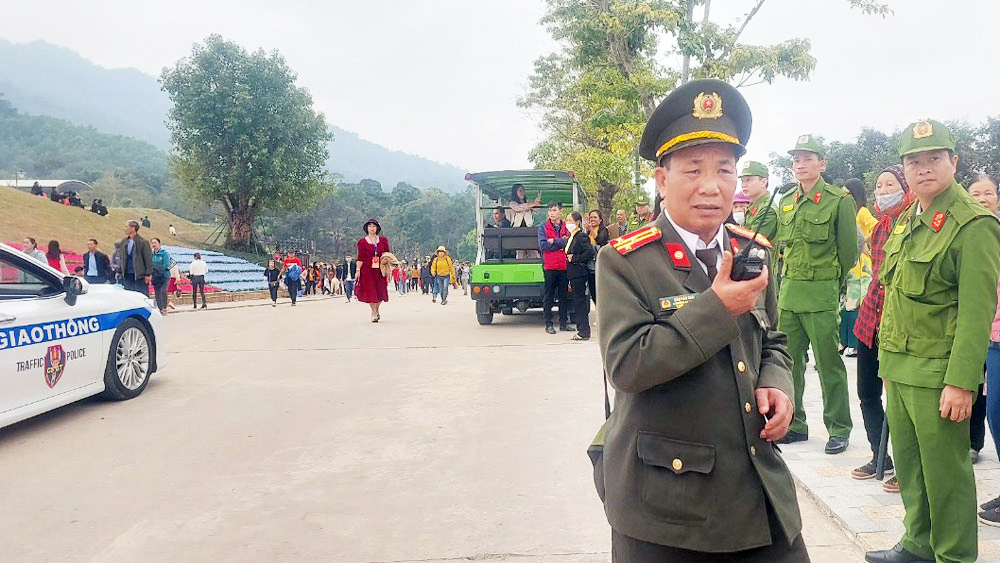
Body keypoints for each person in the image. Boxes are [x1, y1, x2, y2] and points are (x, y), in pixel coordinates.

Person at [598, 78, 806, 561]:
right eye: (693, 170)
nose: (711, 186)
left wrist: (777, 384)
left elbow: (773, 340)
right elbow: (627, 365)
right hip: (667, 505)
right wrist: (717, 307)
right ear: (661, 180)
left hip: (755, 487)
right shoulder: (626, 261)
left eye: (725, 170)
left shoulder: (752, 251)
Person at [864, 120, 1000, 563]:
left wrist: (961, 381)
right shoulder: (909, 218)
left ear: (953, 162)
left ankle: (955, 556)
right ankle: (918, 544)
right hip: (900, 366)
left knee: (946, 474)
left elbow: (977, 312)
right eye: (914, 161)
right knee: (910, 465)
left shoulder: (973, 224)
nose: (923, 168)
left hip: (938, 373)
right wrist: (886, 365)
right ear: (904, 168)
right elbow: (895, 295)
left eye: (934, 159)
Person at [774, 134, 858, 454]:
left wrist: (830, 283)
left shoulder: (839, 200)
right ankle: (795, 424)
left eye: (807, 159)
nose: (800, 165)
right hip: (790, 293)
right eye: (796, 160)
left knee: (828, 363)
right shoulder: (786, 200)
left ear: (822, 164)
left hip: (821, 293)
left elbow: (848, 252)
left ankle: (838, 427)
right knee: (789, 362)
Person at [849, 165, 911, 491]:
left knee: (900, 401)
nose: (884, 191)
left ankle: (907, 466)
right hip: (869, 320)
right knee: (867, 393)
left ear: (905, 188)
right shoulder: (880, 226)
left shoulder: (912, 224)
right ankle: (879, 454)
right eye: (880, 185)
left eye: (891, 185)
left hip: (897, 323)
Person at [965, 175, 1000, 464]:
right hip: (973, 328)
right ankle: (973, 443)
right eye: (975, 194)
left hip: (996, 330)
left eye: (988, 193)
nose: (982, 199)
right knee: (973, 389)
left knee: (995, 406)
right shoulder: (961, 232)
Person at [538, 201, 571, 334]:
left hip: (563, 266)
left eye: (554, 210)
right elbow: (543, 246)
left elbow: (569, 242)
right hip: (550, 266)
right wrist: (561, 244)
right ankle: (549, 324)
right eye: (550, 210)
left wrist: (554, 241)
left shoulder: (566, 226)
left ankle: (563, 324)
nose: (552, 213)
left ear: (560, 212)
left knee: (564, 296)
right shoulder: (543, 227)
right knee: (549, 296)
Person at [564, 211, 595, 341]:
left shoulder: (581, 236)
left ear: (577, 222)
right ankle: (581, 329)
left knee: (580, 302)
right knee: (577, 302)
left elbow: (589, 252)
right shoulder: (571, 236)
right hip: (573, 274)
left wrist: (575, 258)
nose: (567, 223)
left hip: (579, 273)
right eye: (566, 220)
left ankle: (584, 331)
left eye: (569, 220)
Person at [355, 219, 391, 322]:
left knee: (380, 291)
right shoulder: (362, 242)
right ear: (366, 228)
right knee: (371, 291)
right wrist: (358, 270)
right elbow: (360, 258)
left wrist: (386, 260)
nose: (372, 228)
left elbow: (387, 254)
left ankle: (377, 308)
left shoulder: (383, 240)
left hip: (380, 270)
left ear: (377, 228)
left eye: (374, 226)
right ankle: (374, 312)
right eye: (370, 226)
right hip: (367, 270)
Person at [740, 161, 778, 244]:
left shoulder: (767, 209)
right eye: (742, 181)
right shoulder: (753, 206)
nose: (744, 185)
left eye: (748, 180)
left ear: (763, 182)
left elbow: (752, 242)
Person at [115, 220, 152, 296]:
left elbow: (148, 259)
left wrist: (148, 274)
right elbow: (122, 258)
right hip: (127, 274)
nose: (125, 228)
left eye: (127, 227)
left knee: (141, 294)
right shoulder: (124, 241)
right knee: (129, 295)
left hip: (139, 275)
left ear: (133, 228)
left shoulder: (143, 242)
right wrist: (119, 271)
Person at [586, 210, 609, 304]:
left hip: (599, 263)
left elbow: (600, 240)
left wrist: (591, 230)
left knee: (600, 291)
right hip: (590, 264)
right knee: (593, 291)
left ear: (600, 220)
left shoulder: (604, 230)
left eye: (595, 217)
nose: (592, 219)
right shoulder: (588, 231)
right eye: (591, 217)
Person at [149, 238, 171, 315]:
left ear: (159, 244)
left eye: (155, 242)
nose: (154, 244)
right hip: (155, 276)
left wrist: (156, 267)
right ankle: (160, 308)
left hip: (164, 276)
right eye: (152, 243)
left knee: (163, 291)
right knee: (157, 292)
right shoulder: (151, 254)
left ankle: (164, 308)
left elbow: (166, 264)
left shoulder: (164, 254)